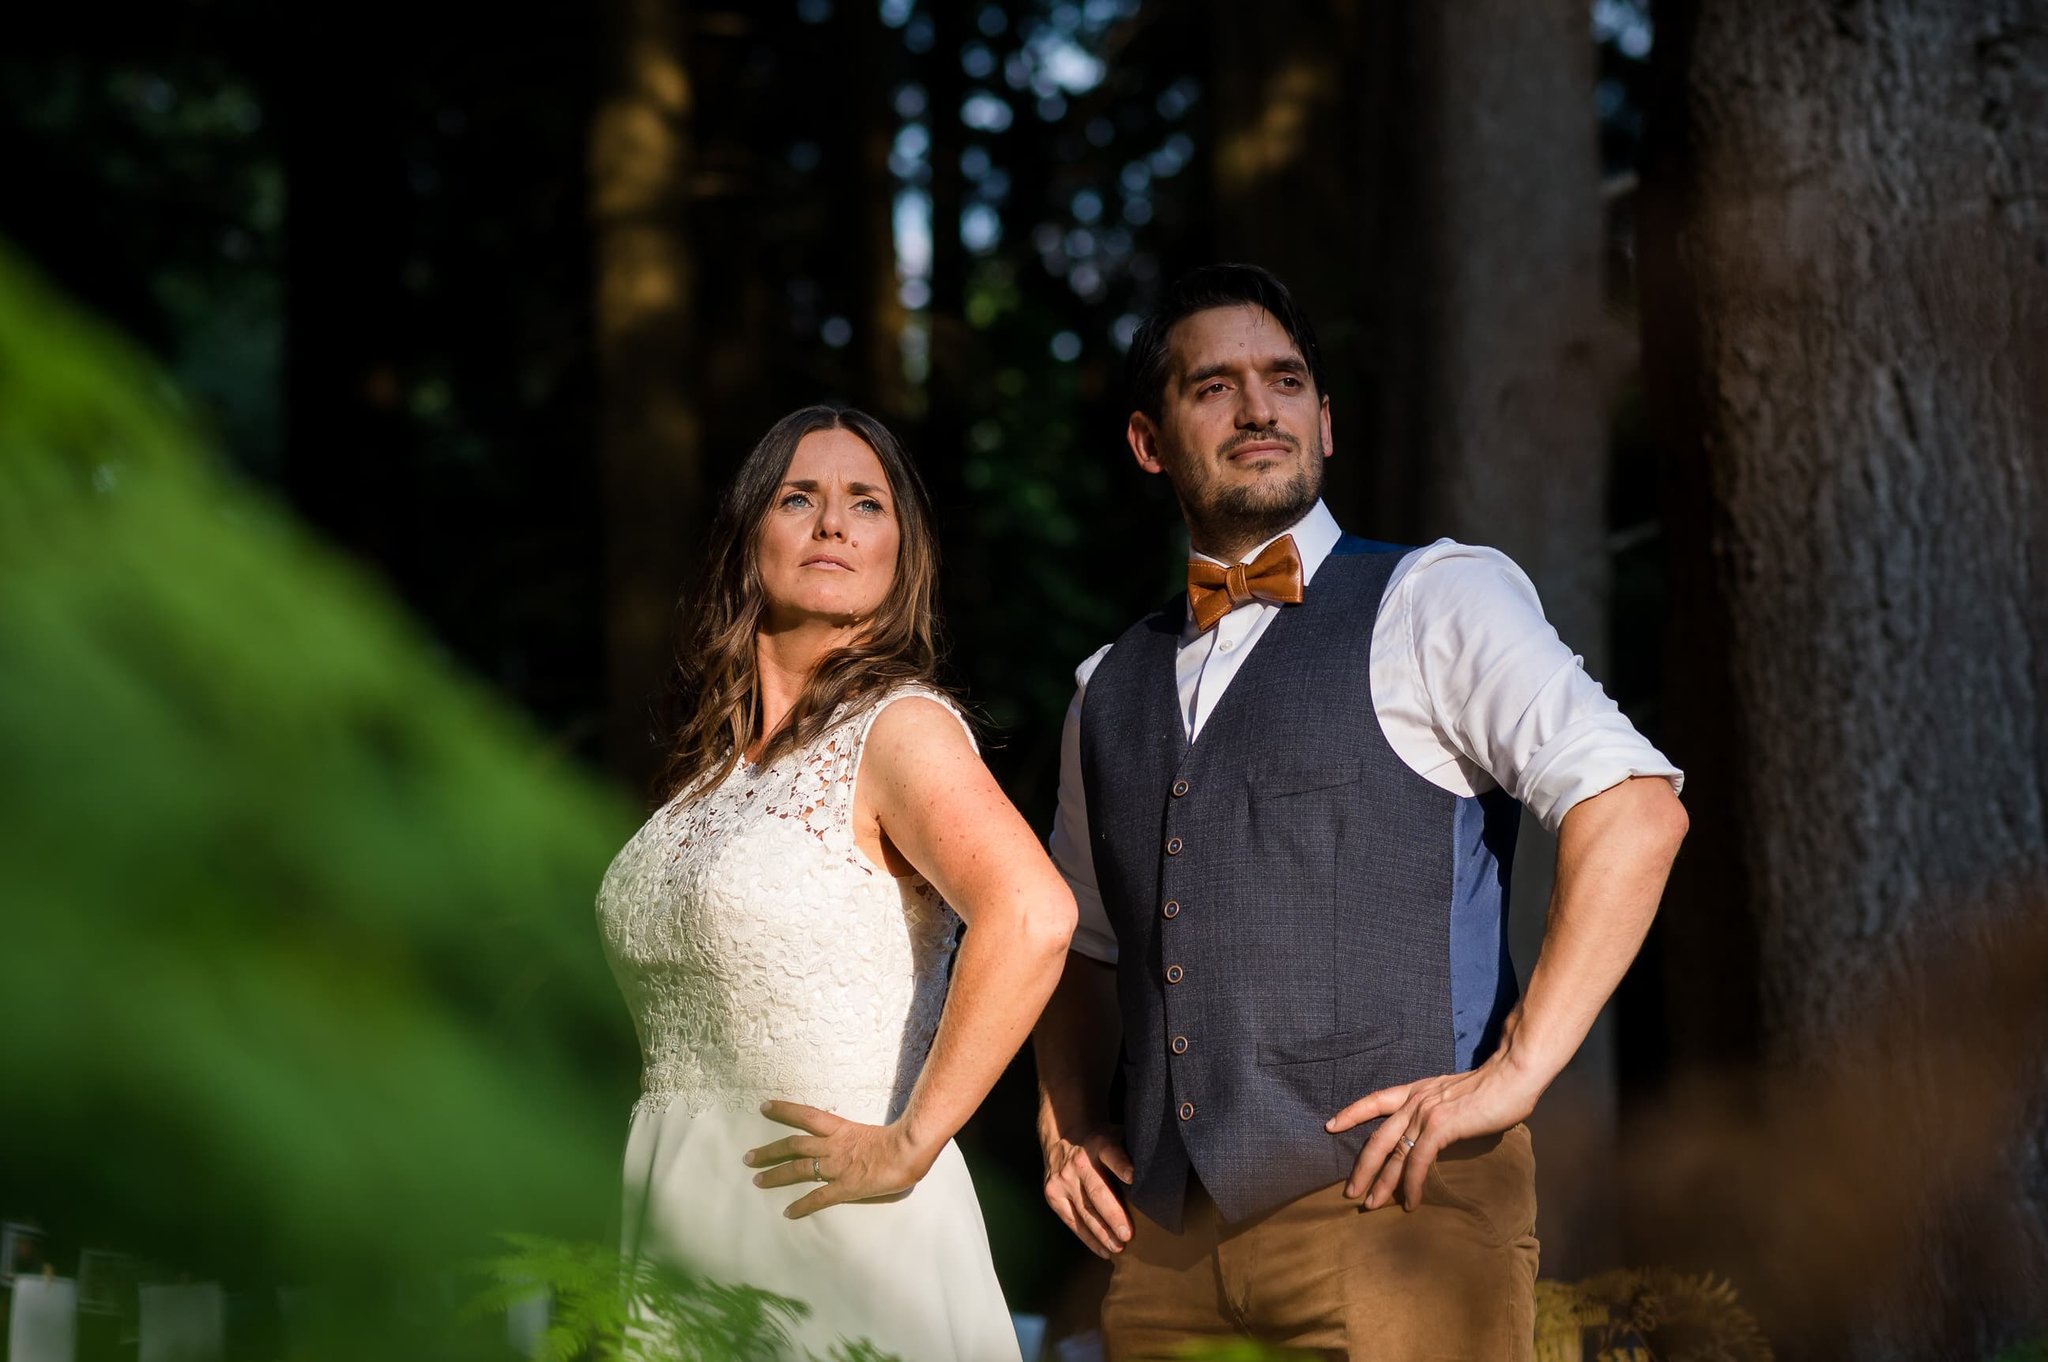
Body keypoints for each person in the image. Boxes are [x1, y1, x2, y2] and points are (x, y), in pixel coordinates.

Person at [1032, 265, 1690, 1360]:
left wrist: (1515, 1073)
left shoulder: (1438, 596)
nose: (1256, 408)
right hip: (1159, 1264)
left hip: (1398, 1217)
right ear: (1149, 442)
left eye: (1284, 380)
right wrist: (1063, 1122)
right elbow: (1075, 943)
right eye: (1213, 387)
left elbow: (1632, 808)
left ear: (1323, 424)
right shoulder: (1103, 685)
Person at [598, 404, 1076, 1361]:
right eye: (798, 497)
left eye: (867, 504)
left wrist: (911, 1143)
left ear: (900, 553)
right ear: (749, 538)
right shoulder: (716, 775)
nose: (833, 524)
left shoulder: (899, 729)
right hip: (685, 1230)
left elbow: (1032, 913)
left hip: (835, 1227)